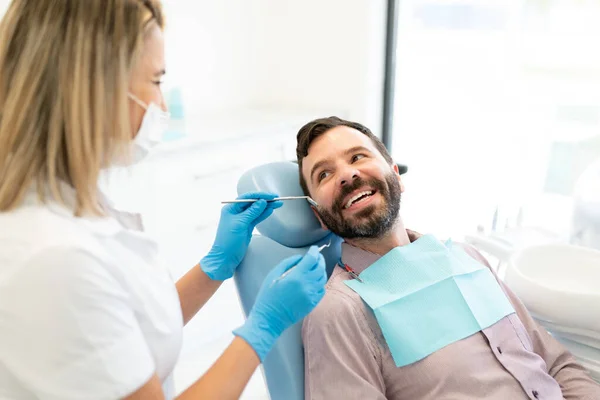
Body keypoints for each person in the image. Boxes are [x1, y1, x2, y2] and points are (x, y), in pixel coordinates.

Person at [0, 1, 327, 399]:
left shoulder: (72, 203)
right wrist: (263, 329)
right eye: (155, 82)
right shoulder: (51, 257)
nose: (162, 107)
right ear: (92, 88)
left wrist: (213, 268)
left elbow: (124, 332)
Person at [295, 116, 600, 399]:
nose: (347, 175)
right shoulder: (338, 312)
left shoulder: (467, 258)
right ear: (318, 216)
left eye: (357, 157)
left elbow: (558, 365)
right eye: (324, 174)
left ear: (396, 175)